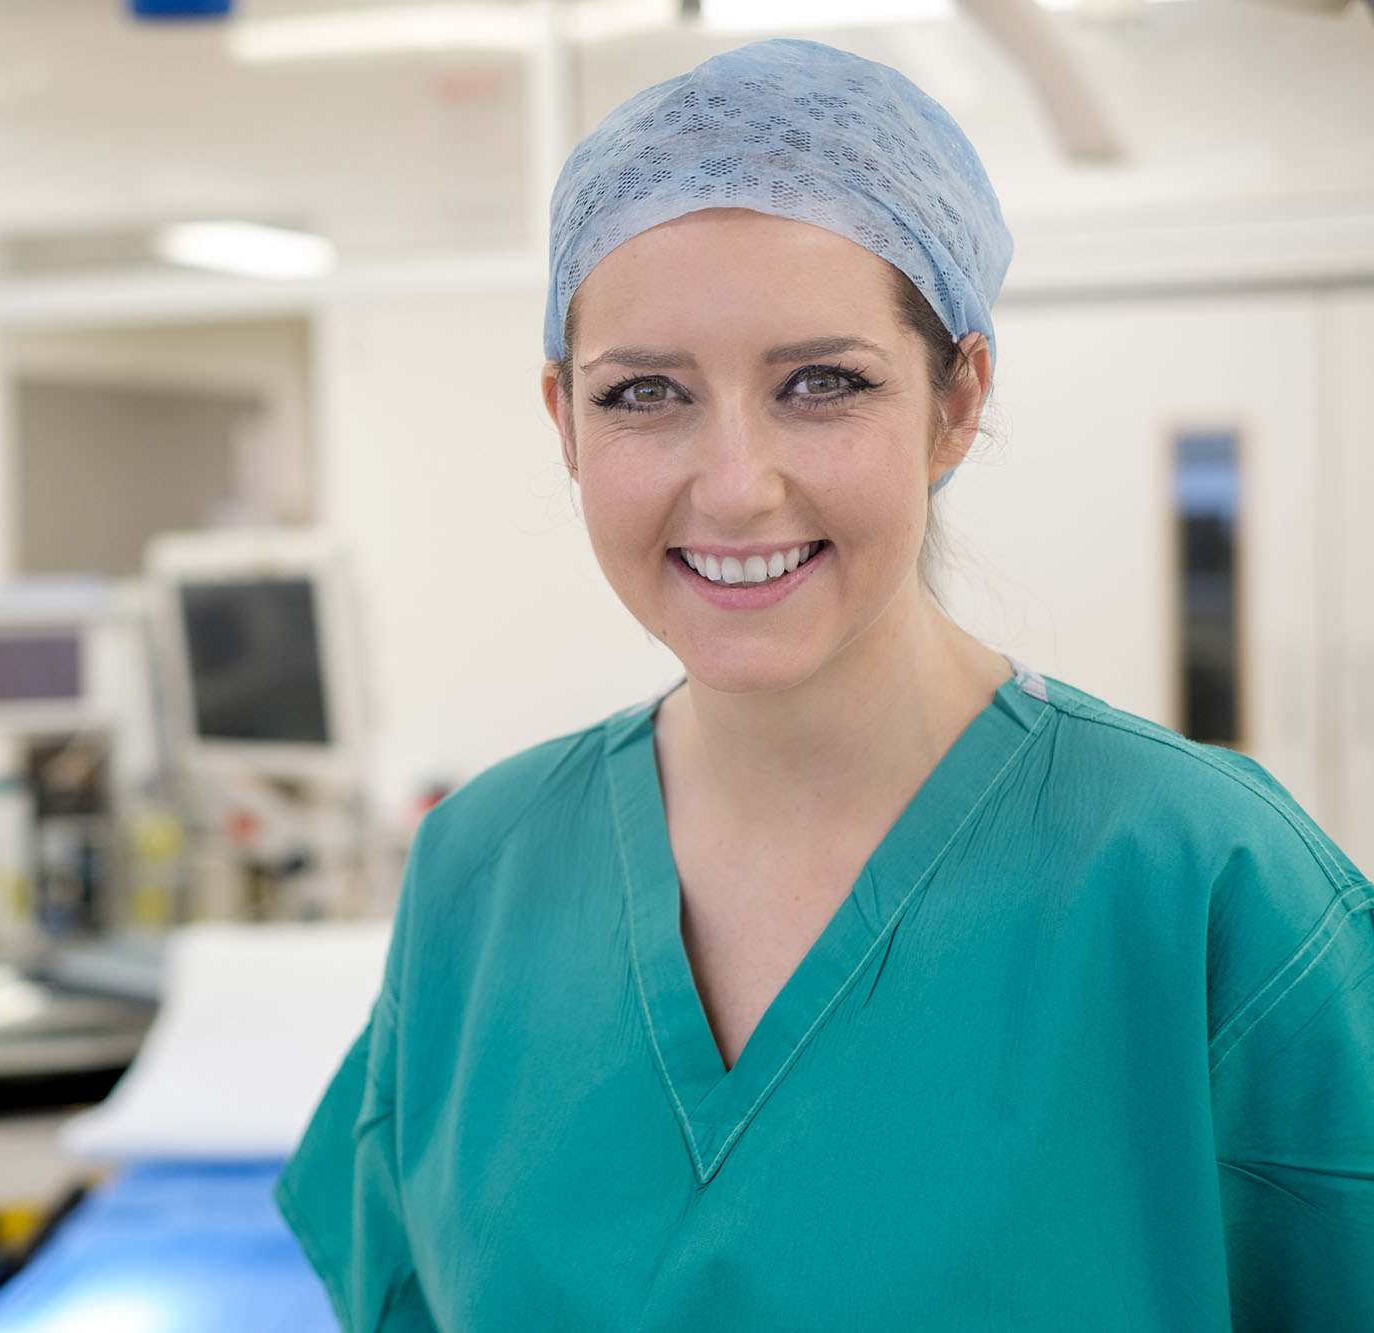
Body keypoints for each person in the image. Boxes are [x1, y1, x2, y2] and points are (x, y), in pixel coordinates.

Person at [275, 37, 1374, 1332]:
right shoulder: (479, 870)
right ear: (565, 421)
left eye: (822, 384)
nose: (737, 485)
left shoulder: (1202, 878)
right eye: (645, 393)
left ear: (956, 403)